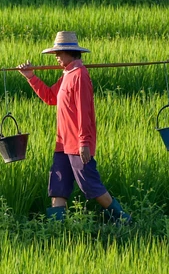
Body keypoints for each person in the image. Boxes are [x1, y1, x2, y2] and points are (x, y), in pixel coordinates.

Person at [17, 31, 130, 223]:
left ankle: (124, 219)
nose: (56, 57)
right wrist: (30, 77)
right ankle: (56, 230)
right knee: (58, 186)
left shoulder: (80, 75)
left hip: (77, 144)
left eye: (59, 53)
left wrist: (84, 142)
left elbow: (84, 110)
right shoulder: (66, 75)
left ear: (71, 53)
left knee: (91, 186)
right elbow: (50, 98)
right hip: (62, 143)